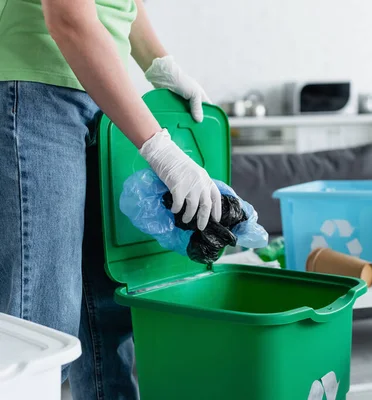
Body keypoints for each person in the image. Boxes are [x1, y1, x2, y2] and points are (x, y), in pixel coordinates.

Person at [0, 1, 220, 398]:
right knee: (42, 326)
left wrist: (159, 63)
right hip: (36, 91)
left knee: (105, 303)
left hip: (102, 94)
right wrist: (159, 148)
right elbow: (68, 18)